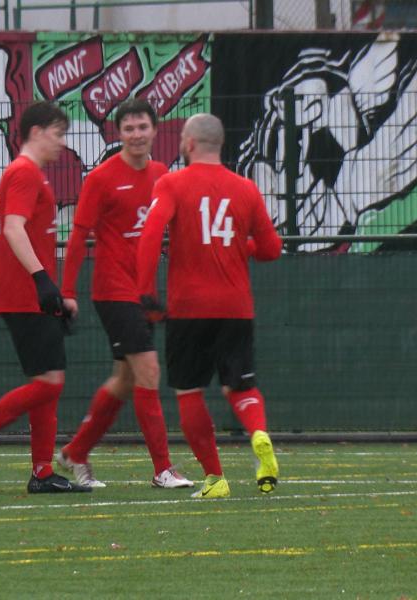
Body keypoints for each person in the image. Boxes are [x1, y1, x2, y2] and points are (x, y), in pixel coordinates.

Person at [137, 113, 282, 499]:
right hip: (236, 307)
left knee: (189, 391)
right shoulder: (246, 189)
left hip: (188, 308)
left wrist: (146, 291)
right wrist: (239, 249)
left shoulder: (171, 183)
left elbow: (151, 235)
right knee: (240, 384)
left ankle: (215, 479)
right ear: (219, 145)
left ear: (188, 144)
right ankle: (259, 432)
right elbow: (271, 249)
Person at [0, 101, 89, 494]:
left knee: (47, 383)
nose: (62, 143)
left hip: (32, 293)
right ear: (36, 132)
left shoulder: (29, 174)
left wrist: (56, 291)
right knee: (49, 384)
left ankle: (42, 473)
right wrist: (44, 282)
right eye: (58, 134)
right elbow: (14, 229)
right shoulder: (24, 173)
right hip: (25, 294)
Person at [57, 99, 192, 490]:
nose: (136, 134)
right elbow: (79, 235)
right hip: (113, 291)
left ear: (154, 130)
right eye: (129, 128)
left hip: (145, 292)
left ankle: (75, 452)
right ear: (119, 134)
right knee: (149, 371)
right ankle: (163, 469)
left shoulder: (162, 175)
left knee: (125, 380)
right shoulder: (100, 178)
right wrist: (68, 291)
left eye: (142, 127)